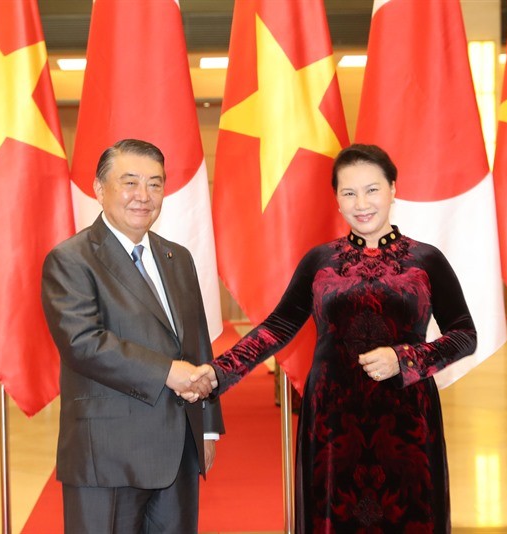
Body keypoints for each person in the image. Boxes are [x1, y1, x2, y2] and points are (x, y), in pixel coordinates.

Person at [193, 144, 476, 533]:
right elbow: (276, 328)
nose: (362, 202)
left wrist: (406, 358)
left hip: (408, 419)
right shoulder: (319, 261)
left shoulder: (426, 260)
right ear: (337, 200)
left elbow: (464, 335)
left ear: (393, 189)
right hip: (332, 421)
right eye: (349, 192)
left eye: (372, 189)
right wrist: (218, 372)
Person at [41, 138, 224, 534]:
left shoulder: (178, 257)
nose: (144, 196)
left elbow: (197, 344)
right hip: (107, 455)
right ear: (99, 188)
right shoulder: (71, 259)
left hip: (179, 451)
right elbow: (83, 343)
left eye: (155, 184)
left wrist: (207, 428)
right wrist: (166, 373)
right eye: (130, 182)